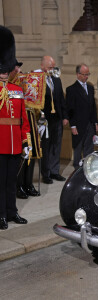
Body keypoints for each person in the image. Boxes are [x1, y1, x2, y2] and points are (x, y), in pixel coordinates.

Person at [0, 26, 29, 229]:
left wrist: (26, 141)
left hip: (15, 145)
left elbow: (23, 120)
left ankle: (12, 212)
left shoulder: (17, 90)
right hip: (0, 144)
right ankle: (1, 214)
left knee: (12, 182)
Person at [9, 61, 41, 199]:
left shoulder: (22, 78)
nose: (19, 69)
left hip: (30, 117)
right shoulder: (10, 82)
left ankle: (28, 184)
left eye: (19, 67)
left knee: (32, 153)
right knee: (22, 154)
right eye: (16, 67)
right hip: (19, 119)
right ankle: (19, 186)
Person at [35, 56, 68, 184]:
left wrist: (65, 116)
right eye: (50, 67)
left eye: (53, 67)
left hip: (57, 118)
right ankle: (46, 173)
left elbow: (61, 100)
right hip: (45, 119)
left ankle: (55, 171)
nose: (52, 69)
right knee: (46, 146)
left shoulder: (56, 80)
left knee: (56, 146)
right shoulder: (38, 80)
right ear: (42, 66)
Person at [66, 64, 98, 169]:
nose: (86, 77)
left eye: (87, 74)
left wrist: (95, 122)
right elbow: (70, 109)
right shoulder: (71, 89)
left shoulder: (90, 87)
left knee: (89, 147)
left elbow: (93, 107)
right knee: (78, 147)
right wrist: (73, 126)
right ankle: (77, 168)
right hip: (78, 124)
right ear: (78, 74)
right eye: (84, 74)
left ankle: (88, 167)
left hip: (89, 123)